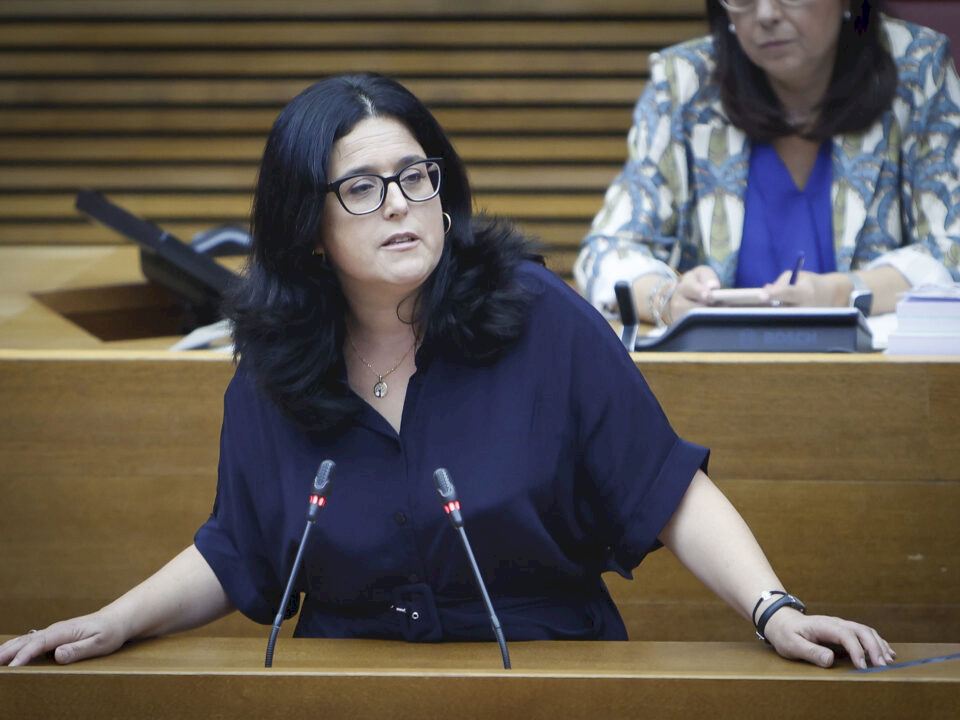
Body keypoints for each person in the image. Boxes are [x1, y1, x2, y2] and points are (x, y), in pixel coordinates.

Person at [1, 74, 893, 669]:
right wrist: (114, 620)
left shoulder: (539, 316)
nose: (399, 205)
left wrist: (776, 610)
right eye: (362, 188)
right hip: (349, 686)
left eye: (415, 177)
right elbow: (240, 547)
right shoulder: (275, 364)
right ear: (308, 229)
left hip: (546, 674)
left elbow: (665, 488)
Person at [575, 0, 960, 326]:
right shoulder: (685, 81)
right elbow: (606, 251)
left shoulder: (916, 66)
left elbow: (954, 245)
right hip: (718, 377)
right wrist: (666, 299)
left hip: (877, 379)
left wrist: (843, 293)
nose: (765, 14)